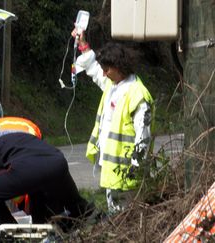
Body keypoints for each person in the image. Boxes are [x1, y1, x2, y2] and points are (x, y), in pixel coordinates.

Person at [0, 117, 94, 243]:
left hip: (27, 162)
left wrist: (10, 229)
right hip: (56, 159)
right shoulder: (7, 138)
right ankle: (94, 223)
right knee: (78, 208)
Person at [72, 28, 155, 213]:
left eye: (107, 69)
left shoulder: (137, 95)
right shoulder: (113, 86)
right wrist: (83, 44)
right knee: (117, 220)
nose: (103, 73)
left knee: (126, 222)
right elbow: (93, 69)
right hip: (113, 172)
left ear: (119, 67)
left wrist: (134, 169)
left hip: (127, 177)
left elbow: (144, 139)